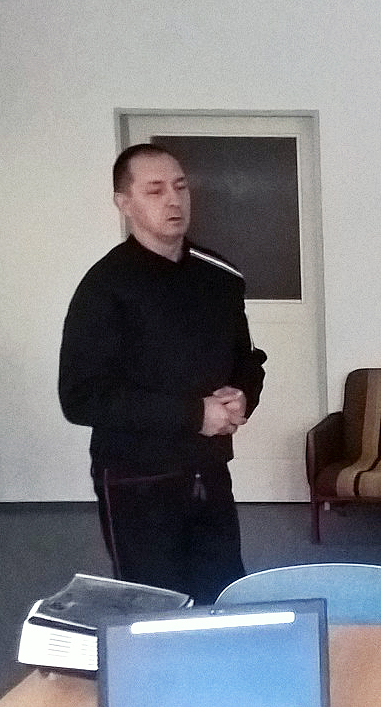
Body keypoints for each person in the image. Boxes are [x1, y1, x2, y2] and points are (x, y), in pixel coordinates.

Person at [59, 143, 266, 604]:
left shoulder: (220, 277)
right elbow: (81, 397)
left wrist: (242, 395)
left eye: (180, 187)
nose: (173, 200)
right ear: (124, 203)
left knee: (223, 598)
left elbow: (248, 360)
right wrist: (195, 414)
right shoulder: (105, 288)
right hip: (136, 481)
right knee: (155, 607)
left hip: (209, 471)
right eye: (155, 190)